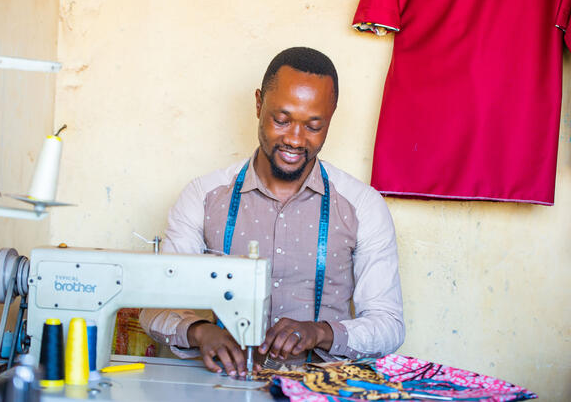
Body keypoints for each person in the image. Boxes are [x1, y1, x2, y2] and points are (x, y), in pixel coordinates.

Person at [140, 47, 404, 378]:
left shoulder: (362, 206)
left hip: (320, 390)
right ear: (257, 104)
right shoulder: (203, 197)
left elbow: (389, 324)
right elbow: (152, 307)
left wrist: (320, 332)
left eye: (313, 125)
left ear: (331, 117)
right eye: (281, 119)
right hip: (222, 386)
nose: (295, 139)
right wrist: (200, 332)